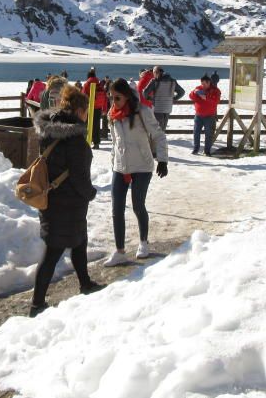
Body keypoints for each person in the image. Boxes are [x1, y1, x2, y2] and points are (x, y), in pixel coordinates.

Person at [29, 86, 103, 317]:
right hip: (69, 204)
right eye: (86, 111)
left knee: (79, 241)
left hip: (51, 200)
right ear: (80, 111)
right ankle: (36, 304)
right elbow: (81, 179)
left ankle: (85, 283)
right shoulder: (76, 142)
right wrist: (90, 193)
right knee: (53, 252)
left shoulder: (48, 132)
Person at [103, 79, 168, 266]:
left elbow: (158, 135)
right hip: (120, 167)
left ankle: (143, 242)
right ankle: (120, 251)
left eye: (117, 98)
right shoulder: (112, 115)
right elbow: (115, 144)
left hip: (142, 166)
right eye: (111, 97)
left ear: (127, 96)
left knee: (138, 205)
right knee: (116, 209)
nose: (113, 101)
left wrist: (162, 160)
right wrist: (113, 163)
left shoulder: (142, 112)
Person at [142, 66, 185, 132]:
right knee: (163, 129)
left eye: (154, 73)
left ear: (156, 72)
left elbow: (145, 93)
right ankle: (162, 141)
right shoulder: (172, 81)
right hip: (167, 108)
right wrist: (173, 99)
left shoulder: (154, 81)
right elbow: (182, 92)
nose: (153, 75)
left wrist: (150, 98)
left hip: (158, 108)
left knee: (157, 129)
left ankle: (157, 141)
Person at [189, 75, 221, 156]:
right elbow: (191, 96)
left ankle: (207, 151)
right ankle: (196, 149)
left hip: (209, 116)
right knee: (196, 132)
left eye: (204, 84)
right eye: (202, 83)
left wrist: (206, 98)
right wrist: (194, 92)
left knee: (209, 134)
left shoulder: (215, 90)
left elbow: (216, 101)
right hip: (198, 115)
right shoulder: (198, 88)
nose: (202, 85)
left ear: (209, 82)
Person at [81, 68, 108, 149]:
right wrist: (104, 109)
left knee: (86, 124)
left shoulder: (87, 84)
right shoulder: (99, 84)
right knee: (96, 125)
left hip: (89, 107)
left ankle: (86, 141)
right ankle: (96, 142)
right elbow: (105, 97)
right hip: (98, 107)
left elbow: (83, 96)